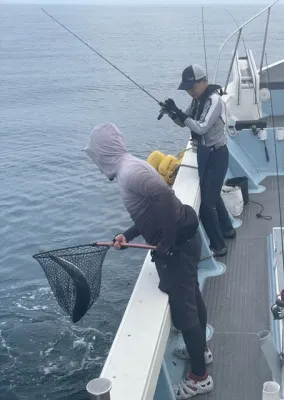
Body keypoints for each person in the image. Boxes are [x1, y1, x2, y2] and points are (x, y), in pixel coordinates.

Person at [84, 122, 214, 399]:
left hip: (178, 248)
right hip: (186, 240)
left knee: (184, 312)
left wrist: (166, 241)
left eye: (94, 155)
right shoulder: (128, 168)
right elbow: (150, 209)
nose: (95, 162)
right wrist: (126, 234)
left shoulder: (130, 172)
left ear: (103, 154)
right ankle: (200, 349)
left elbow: (164, 196)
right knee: (192, 295)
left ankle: (200, 377)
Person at [160, 64, 236, 257]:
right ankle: (228, 229)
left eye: (193, 87)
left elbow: (200, 127)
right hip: (204, 154)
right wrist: (172, 112)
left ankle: (219, 246)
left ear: (204, 82)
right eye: (187, 88)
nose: (190, 91)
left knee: (206, 204)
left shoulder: (214, 100)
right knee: (212, 194)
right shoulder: (197, 101)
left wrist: (182, 114)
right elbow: (183, 122)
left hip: (217, 154)